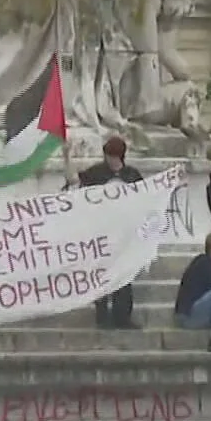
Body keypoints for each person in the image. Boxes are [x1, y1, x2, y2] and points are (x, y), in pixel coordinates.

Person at [77, 136, 144, 329]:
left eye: (112, 156)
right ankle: (102, 316)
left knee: (124, 276)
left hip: (125, 232)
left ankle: (123, 316)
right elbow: (76, 184)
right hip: (101, 232)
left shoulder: (132, 175)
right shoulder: (96, 173)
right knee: (103, 274)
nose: (109, 160)